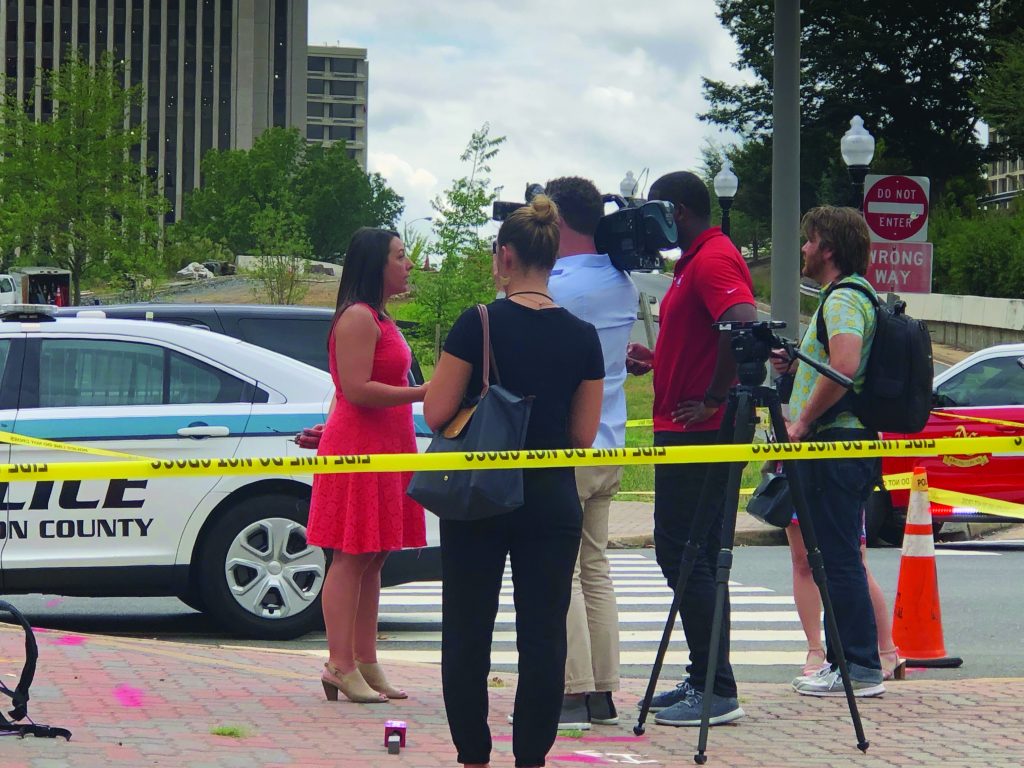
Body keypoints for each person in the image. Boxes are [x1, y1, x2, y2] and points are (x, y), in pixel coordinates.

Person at [425, 195, 604, 768]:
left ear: (504, 256)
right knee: (544, 634)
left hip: (478, 490)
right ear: (552, 258)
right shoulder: (583, 335)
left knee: (467, 628)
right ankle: (531, 756)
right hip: (550, 496)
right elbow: (582, 435)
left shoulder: (476, 323)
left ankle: (473, 754)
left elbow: (436, 413)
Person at [625, 171, 755, 727]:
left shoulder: (713, 258)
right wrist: (659, 362)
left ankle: (716, 687)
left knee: (685, 552)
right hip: (686, 429)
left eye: (654, 211)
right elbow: (707, 335)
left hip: (702, 432)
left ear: (675, 211)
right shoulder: (692, 261)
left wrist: (715, 397)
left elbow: (741, 325)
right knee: (686, 551)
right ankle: (704, 674)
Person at [306, 227, 427, 704]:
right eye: (400, 256)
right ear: (376, 264)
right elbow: (355, 390)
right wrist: (424, 392)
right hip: (360, 447)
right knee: (351, 555)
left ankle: (365, 660)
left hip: (386, 446)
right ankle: (339, 663)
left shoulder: (380, 317)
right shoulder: (358, 316)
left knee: (374, 555)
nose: (408, 264)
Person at [545, 176, 639, 730]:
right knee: (595, 567)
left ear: (555, 219)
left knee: (562, 571)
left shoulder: (560, 286)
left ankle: (573, 688)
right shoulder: (618, 280)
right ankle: (603, 689)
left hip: (568, 443)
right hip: (610, 437)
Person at [783, 205, 885, 697]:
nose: (803, 248)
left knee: (838, 558)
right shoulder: (849, 296)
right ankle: (851, 662)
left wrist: (802, 421)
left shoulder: (843, 299)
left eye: (810, 240)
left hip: (836, 444)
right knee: (838, 556)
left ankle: (858, 666)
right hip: (845, 444)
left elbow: (843, 366)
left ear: (828, 249)